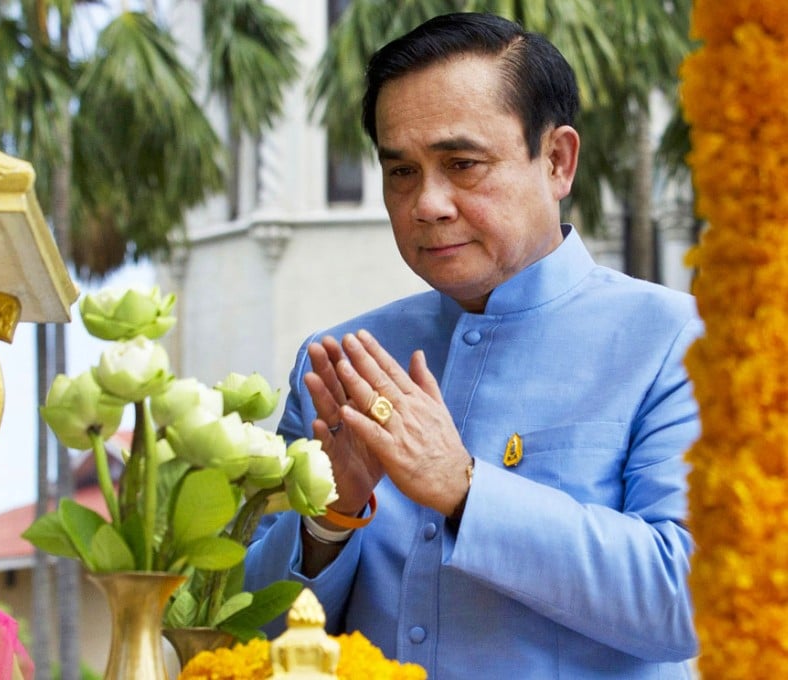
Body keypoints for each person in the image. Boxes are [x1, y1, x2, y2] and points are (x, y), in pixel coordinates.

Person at [244, 12, 701, 679]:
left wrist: (465, 490)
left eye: (462, 164)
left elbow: (690, 599)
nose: (427, 203)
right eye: (401, 171)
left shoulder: (675, 342)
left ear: (557, 160)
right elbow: (249, 637)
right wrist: (330, 520)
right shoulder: (341, 361)